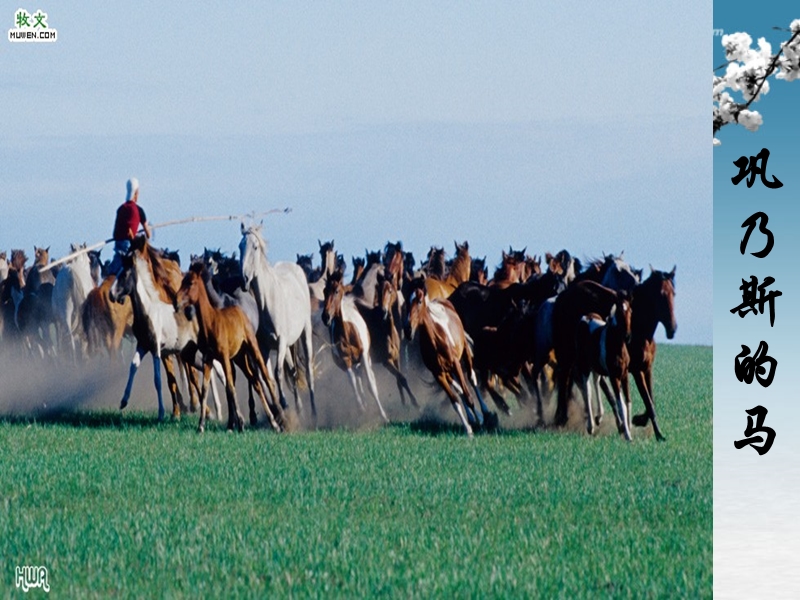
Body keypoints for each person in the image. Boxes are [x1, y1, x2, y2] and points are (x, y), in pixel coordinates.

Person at [108, 178, 152, 275]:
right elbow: (148, 235)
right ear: (136, 193)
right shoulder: (139, 210)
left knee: (110, 272)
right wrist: (148, 229)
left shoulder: (120, 209)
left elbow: (115, 233)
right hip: (128, 248)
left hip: (117, 247)